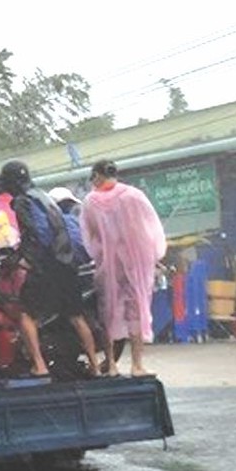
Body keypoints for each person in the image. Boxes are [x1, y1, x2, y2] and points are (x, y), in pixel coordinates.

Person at [0, 160, 101, 378]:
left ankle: (39, 365)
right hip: (67, 262)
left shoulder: (21, 202)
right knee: (76, 316)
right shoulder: (42, 196)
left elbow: (33, 235)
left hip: (47, 266)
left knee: (24, 313)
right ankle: (95, 365)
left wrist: (23, 259)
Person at [81, 159, 167, 377]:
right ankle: (137, 365)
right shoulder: (134, 196)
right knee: (137, 310)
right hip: (135, 263)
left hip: (108, 266)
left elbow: (90, 237)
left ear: (98, 176)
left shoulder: (91, 202)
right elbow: (150, 229)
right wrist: (152, 256)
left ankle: (111, 365)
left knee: (108, 313)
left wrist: (102, 253)